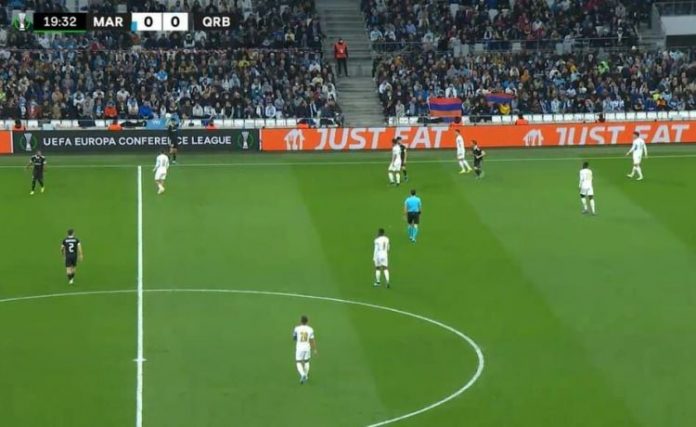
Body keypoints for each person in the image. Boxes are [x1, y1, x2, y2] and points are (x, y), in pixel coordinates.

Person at [292, 315, 317, 384]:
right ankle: (306, 376)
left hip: (299, 348)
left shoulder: (297, 328)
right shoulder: (310, 329)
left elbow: (294, 338)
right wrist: (314, 349)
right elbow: (312, 340)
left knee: (298, 362)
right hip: (307, 347)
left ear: (300, 321)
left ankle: (302, 374)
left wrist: (297, 338)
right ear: (307, 321)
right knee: (306, 361)